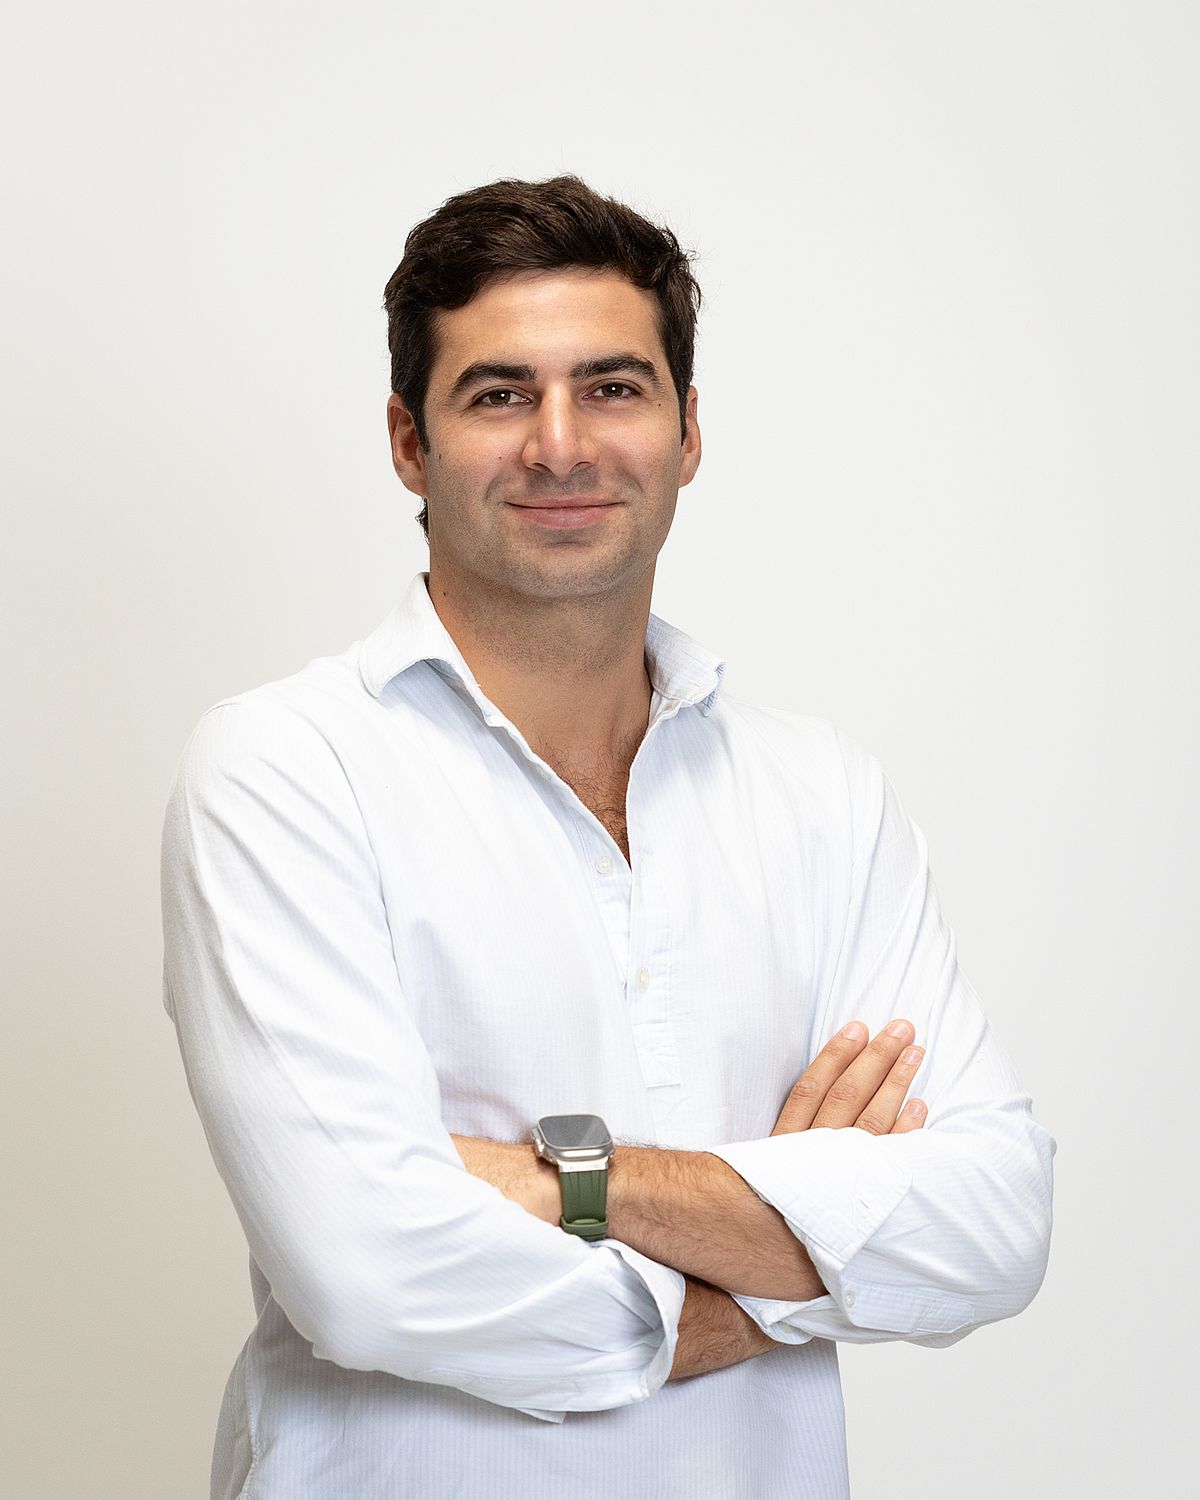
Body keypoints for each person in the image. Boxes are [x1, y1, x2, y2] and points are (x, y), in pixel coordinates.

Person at [160, 175, 1056, 1500]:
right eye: (498, 394)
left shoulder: (821, 795)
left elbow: (994, 1227)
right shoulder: (287, 772)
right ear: (408, 443)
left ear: (689, 431)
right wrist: (806, 1255)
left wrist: (572, 1184)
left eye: (614, 389)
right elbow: (367, 1274)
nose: (562, 444)